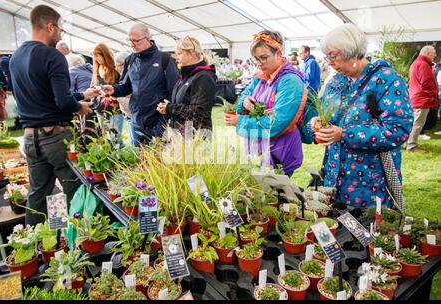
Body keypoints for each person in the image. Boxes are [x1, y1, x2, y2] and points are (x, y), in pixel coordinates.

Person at [308, 23, 413, 209]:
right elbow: (329, 119)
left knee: (367, 231)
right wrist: (318, 124)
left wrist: (345, 134)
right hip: (333, 178)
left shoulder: (387, 80)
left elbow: (397, 130)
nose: (329, 62)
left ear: (354, 53)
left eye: (333, 56)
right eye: (327, 56)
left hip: (370, 183)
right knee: (337, 230)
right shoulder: (336, 81)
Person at [9, 5, 97, 225]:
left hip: (30, 138)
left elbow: (41, 93)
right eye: (60, 30)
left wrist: (80, 94)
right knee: (74, 191)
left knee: (37, 195)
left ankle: (35, 244)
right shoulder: (53, 56)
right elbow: (63, 101)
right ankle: (77, 244)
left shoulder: (16, 57)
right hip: (56, 138)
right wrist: (81, 106)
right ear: (50, 26)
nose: (61, 35)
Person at [223, 30, 307, 177]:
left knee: (275, 195)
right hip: (260, 151)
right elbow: (242, 98)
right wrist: (245, 103)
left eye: (264, 57)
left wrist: (241, 121)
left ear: (279, 54)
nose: (259, 63)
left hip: (279, 153)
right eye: (256, 59)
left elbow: (276, 123)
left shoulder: (290, 81)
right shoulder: (261, 78)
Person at [101, 23, 179, 146]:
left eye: (136, 41)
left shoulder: (165, 59)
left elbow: (174, 91)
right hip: (137, 120)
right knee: (140, 160)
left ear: (147, 39)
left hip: (159, 121)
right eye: (130, 40)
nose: (132, 44)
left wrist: (167, 115)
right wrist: (113, 89)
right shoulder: (130, 60)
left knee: (159, 161)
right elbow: (125, 87)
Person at [157, 36, 216, 137]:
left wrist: (170, 108)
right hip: (182, 134)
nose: (176, 57)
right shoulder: (186, 75)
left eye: (179, 53)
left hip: (196, 136)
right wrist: (168, 107)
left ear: (191, 54)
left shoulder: (203, 77)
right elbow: (185, 103)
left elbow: (199, 112)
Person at [406, 45, 438, 152]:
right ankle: (411, 145)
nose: (435, 55)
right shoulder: (423, 64)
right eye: (434, 53)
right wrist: (433, 95)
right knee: (418, 124)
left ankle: (408, 143)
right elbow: (427, 83)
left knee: (414, 123)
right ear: (428, 54)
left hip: (417, 97)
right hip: (422, 98)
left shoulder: (416, 63)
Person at [92, 43, 124, 147]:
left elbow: (122, 87)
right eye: (95, 57)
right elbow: (93, 85)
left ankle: (120, 157)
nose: (96, 59)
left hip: (115, 108)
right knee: (106, 137)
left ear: (104, 54)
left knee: (116, 137)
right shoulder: (96, 69)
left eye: (98, 56)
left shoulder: (115, 68)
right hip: (101, 108)